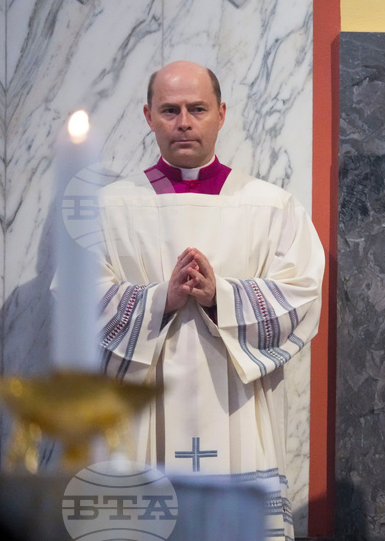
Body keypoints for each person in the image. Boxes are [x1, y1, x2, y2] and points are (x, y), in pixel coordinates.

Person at [94, 61, 324, 540]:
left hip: (235, 405)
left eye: (197, 109)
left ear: (221, 113)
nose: (184, 122)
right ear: (148, 116)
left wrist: (223, 297)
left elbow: (302, 293)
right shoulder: (111, 207)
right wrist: (161, 300)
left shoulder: (270, 205)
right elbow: (79, 302)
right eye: (170, 110)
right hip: (141, 413)